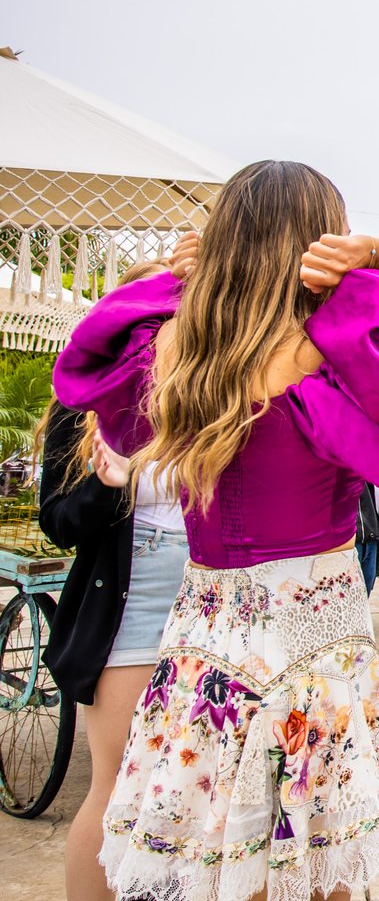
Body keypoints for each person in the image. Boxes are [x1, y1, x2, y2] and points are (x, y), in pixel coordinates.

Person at [51, 159, 379, 901]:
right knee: (321, 857)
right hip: (317, 639)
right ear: (325, 240)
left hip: (208, 638)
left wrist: (184, 276)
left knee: (216, 853)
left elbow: (97, 348)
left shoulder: (176, 347)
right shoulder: (347, 355)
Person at [38, 259, 182, 901]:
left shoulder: (211, 389)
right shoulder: (84, 400)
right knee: (119, 785)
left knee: (185, 788)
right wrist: (106, 484)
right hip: (134, 598)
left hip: (218, 599)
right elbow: (59, 522)